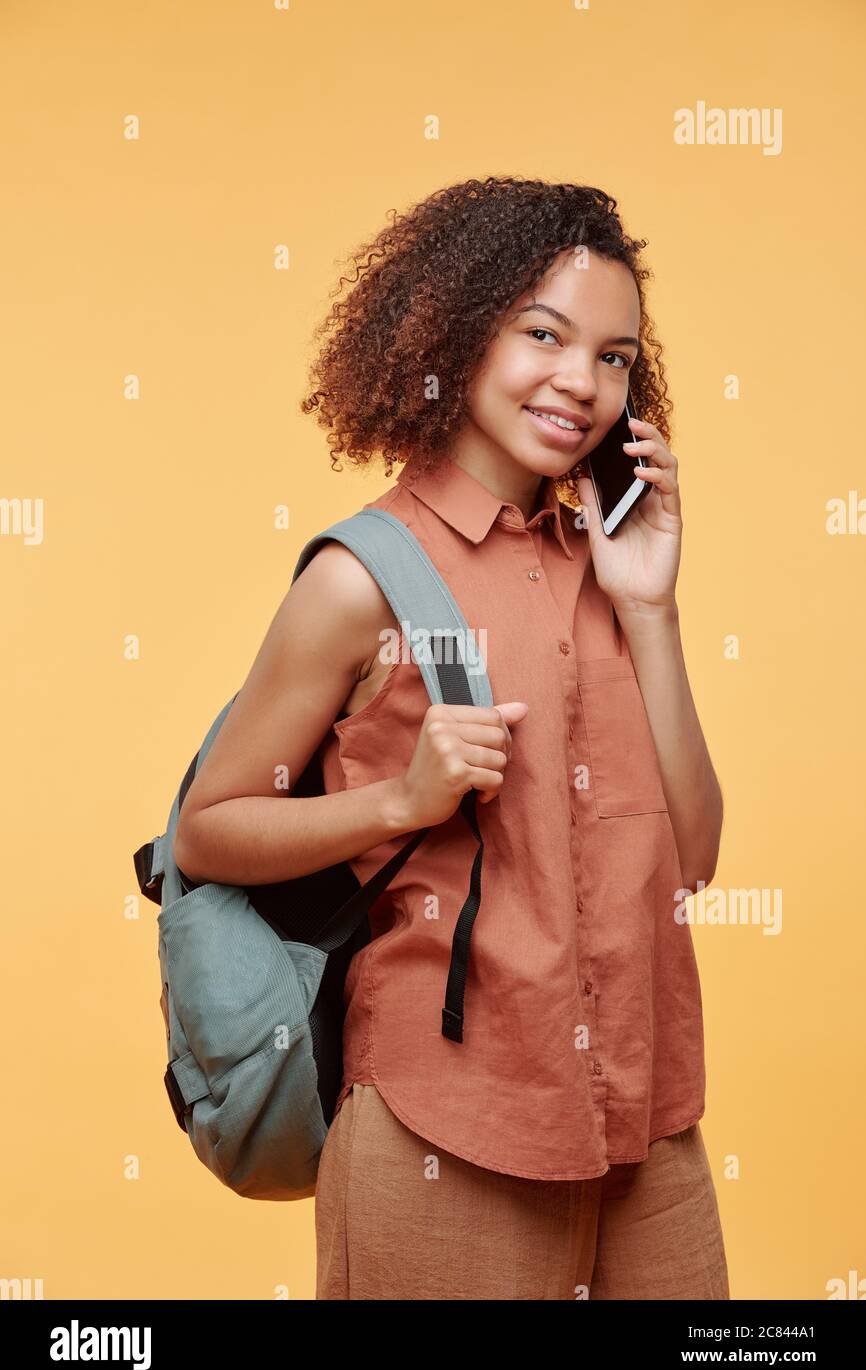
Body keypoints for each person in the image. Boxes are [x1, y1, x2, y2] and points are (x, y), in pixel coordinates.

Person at [174, 176, 730, 1300]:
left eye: (614, 356)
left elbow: (697, 854)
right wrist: (402, 798)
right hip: (444, 1133)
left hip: (643, 1123)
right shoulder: (358, 578)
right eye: (542, 334)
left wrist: (652, 609)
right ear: (457, 330)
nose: (580, 380)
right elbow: (207, 832)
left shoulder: (610, 567)